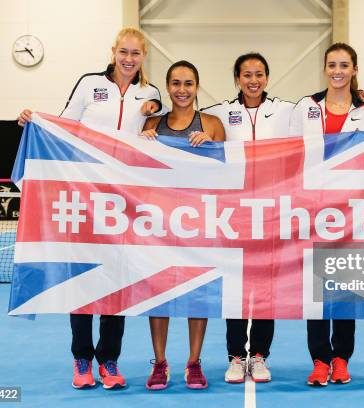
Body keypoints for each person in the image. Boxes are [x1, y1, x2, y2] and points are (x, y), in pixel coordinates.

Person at [17, 27, 166, 390]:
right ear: (114, 51)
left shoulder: (150, 94)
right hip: (83, 196)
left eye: (136, 54)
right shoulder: (89, 84)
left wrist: (152, 117)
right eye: (124, 52)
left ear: (144, 57)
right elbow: (66, 124)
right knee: (82, 279)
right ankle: (82, 358)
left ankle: (109, 360)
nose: (129, 59)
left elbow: (154, 126)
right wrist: (35, 119)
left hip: (124, 202)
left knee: (118, 281)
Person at [201, 52, 294, 383]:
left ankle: (260, 356)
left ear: (267, 77)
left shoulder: (287, 111)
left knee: (266, 288)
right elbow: (182, 118)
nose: (253, 80)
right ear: (237, 78)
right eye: (246, 75)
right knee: (237, 288)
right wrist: (152, 113)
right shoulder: (221, 113)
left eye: (259, 74)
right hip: (235, 215)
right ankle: (236, 357)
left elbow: (322, 124)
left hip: (273, 212)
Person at [289, 43, 364, 386]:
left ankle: (341, 358)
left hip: (350, 211)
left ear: (354, 69)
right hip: (312, 209)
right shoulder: (306, 107)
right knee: (316, 289)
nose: (337, 70)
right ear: (325, 69)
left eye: (344, 65)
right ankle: (319, 359)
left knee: (343, 288)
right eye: (332, 65)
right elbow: (287, 154)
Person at [141, 60, 224, 390]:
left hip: (198, 222)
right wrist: (143, 142)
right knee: (158, 294)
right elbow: (137, 171)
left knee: (196, 293)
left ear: (197, 86)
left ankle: (194, 361)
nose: (182, 90)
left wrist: (213, 147)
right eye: (175, 83)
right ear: (168, 87)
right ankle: (160, 362)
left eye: (188, 83)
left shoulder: (214, 124)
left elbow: (226, 172)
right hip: (160, 223)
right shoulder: (152, 124)